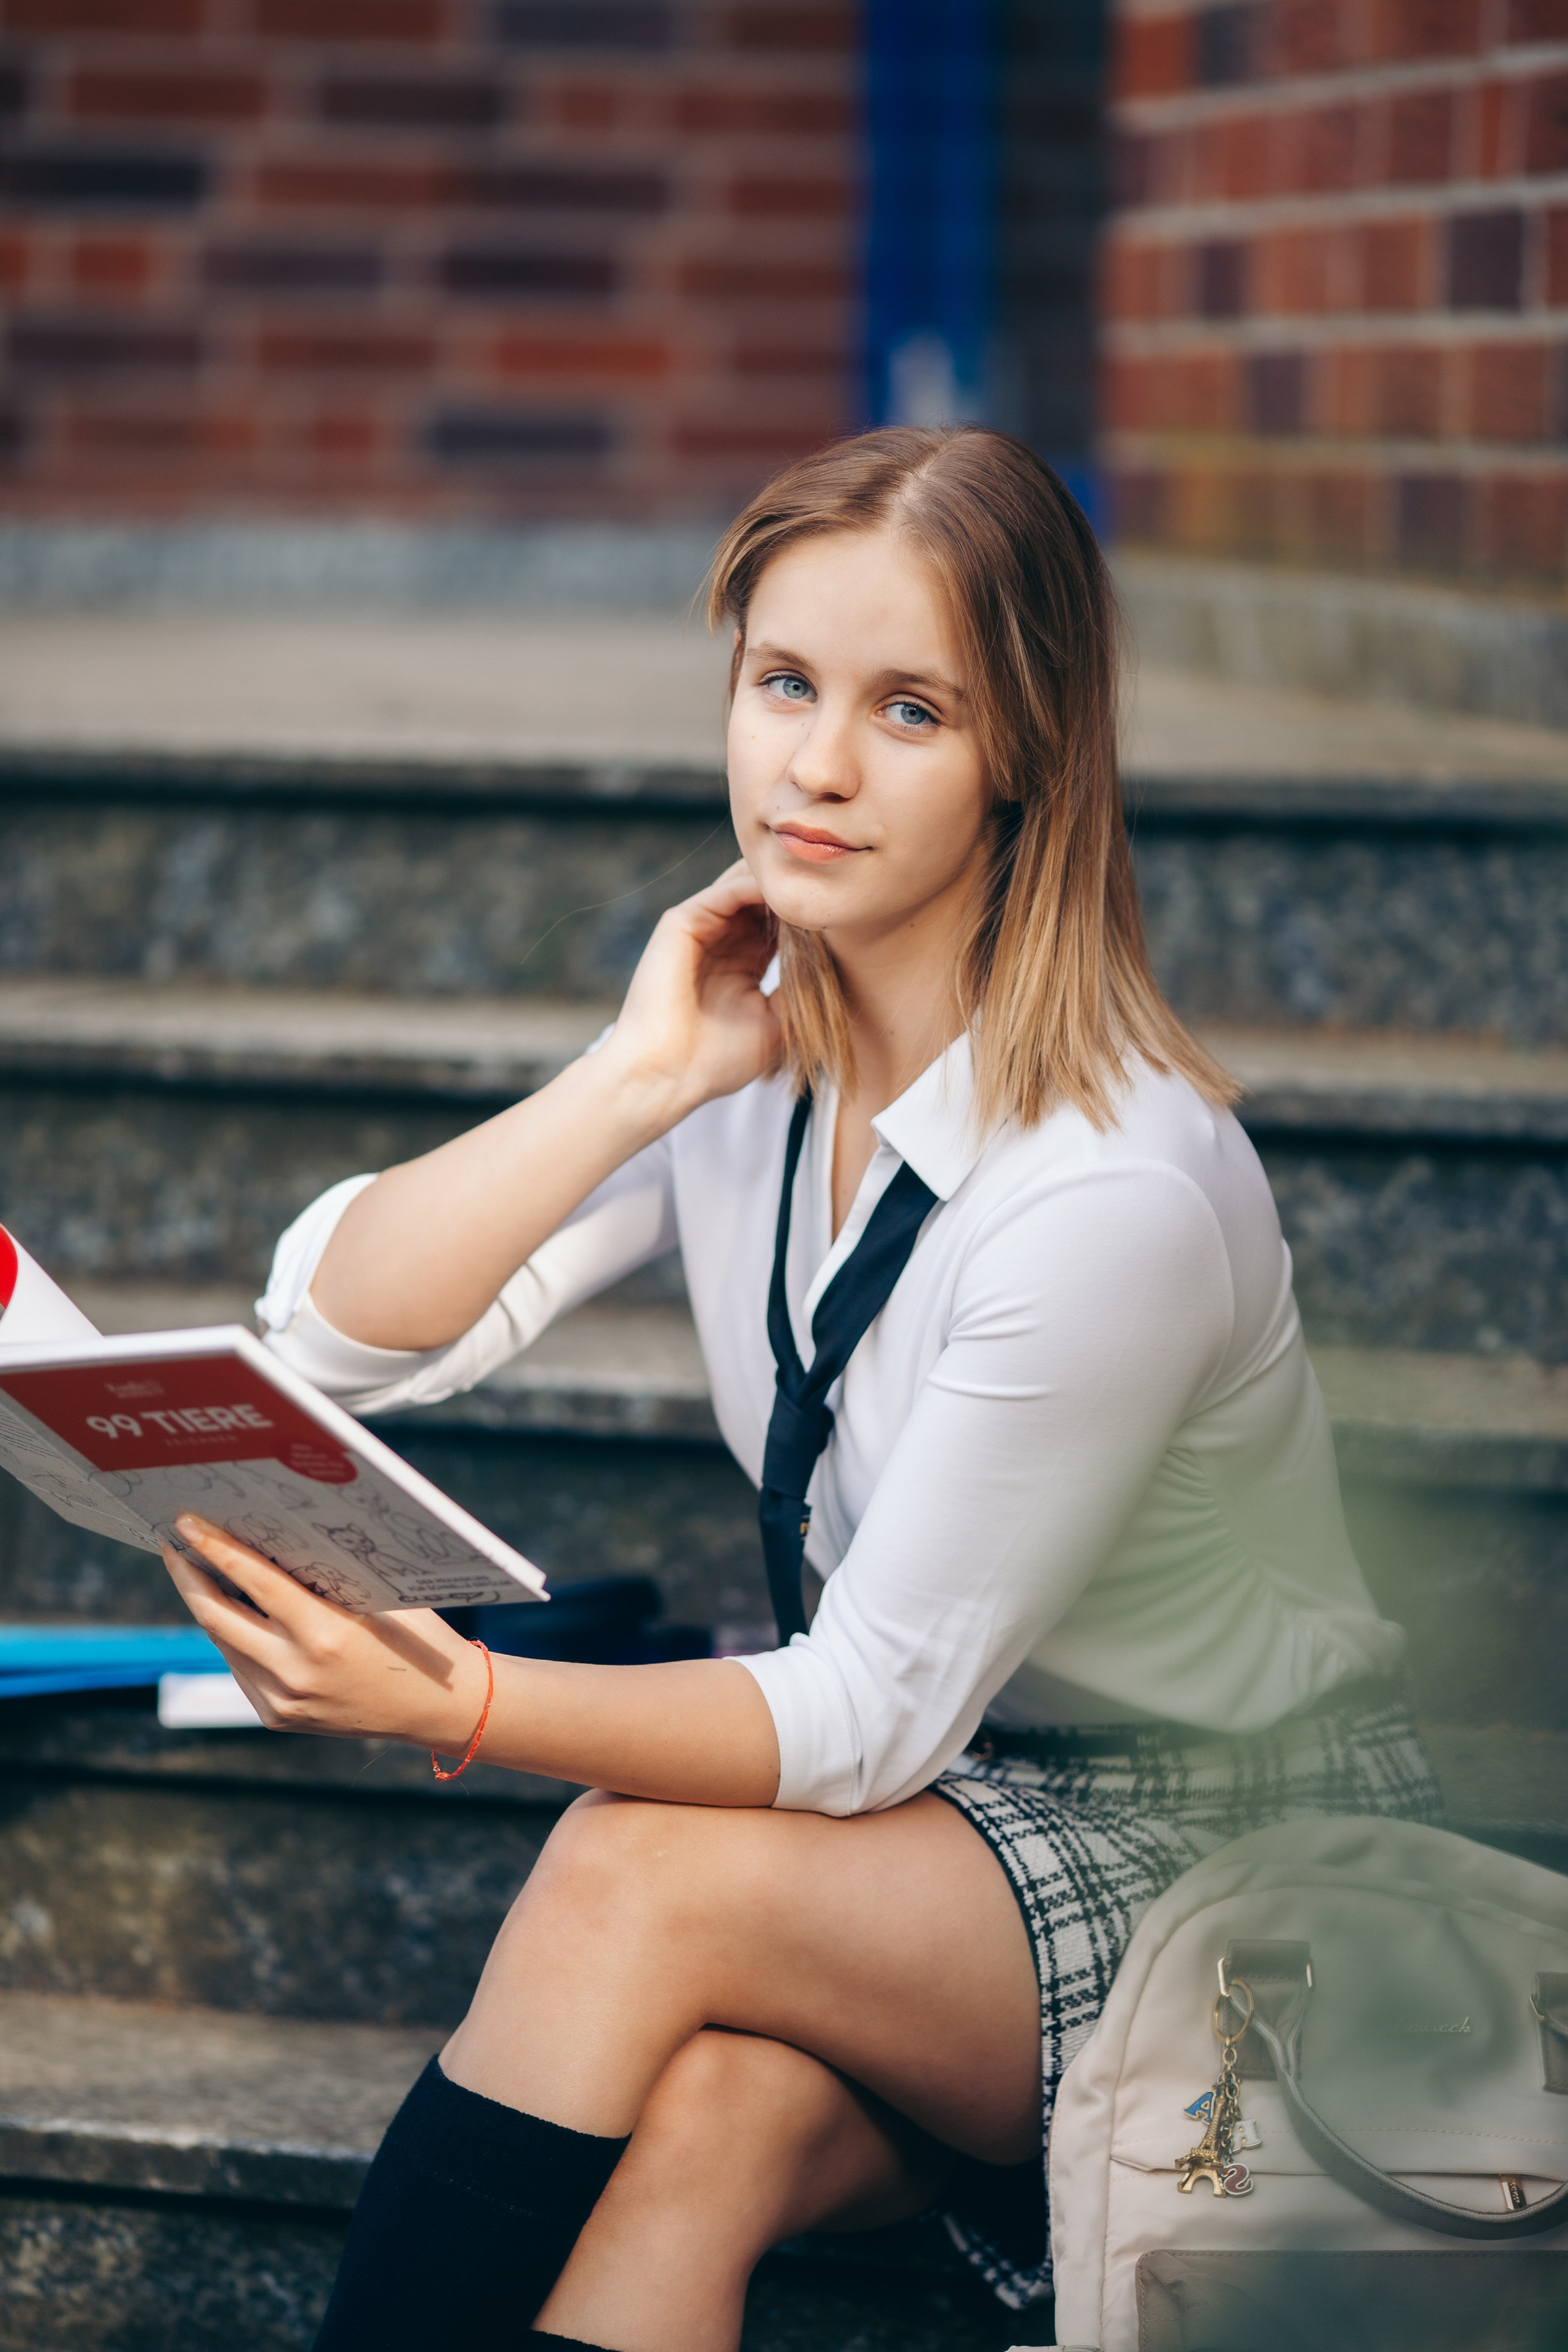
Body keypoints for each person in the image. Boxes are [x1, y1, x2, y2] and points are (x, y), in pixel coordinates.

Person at [160, 427, 1439, 2352]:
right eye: (784, 686)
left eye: (908, 709)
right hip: (946, 1845)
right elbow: (341, 1341)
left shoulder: (1108, 1190)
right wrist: (630, 1080)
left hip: (1225, 1863)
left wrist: (460, 1699)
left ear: (1024, 751)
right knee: (704, 2122)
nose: (816, 767)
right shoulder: (758, 1044)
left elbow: (864, 1714)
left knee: (629, 1866)